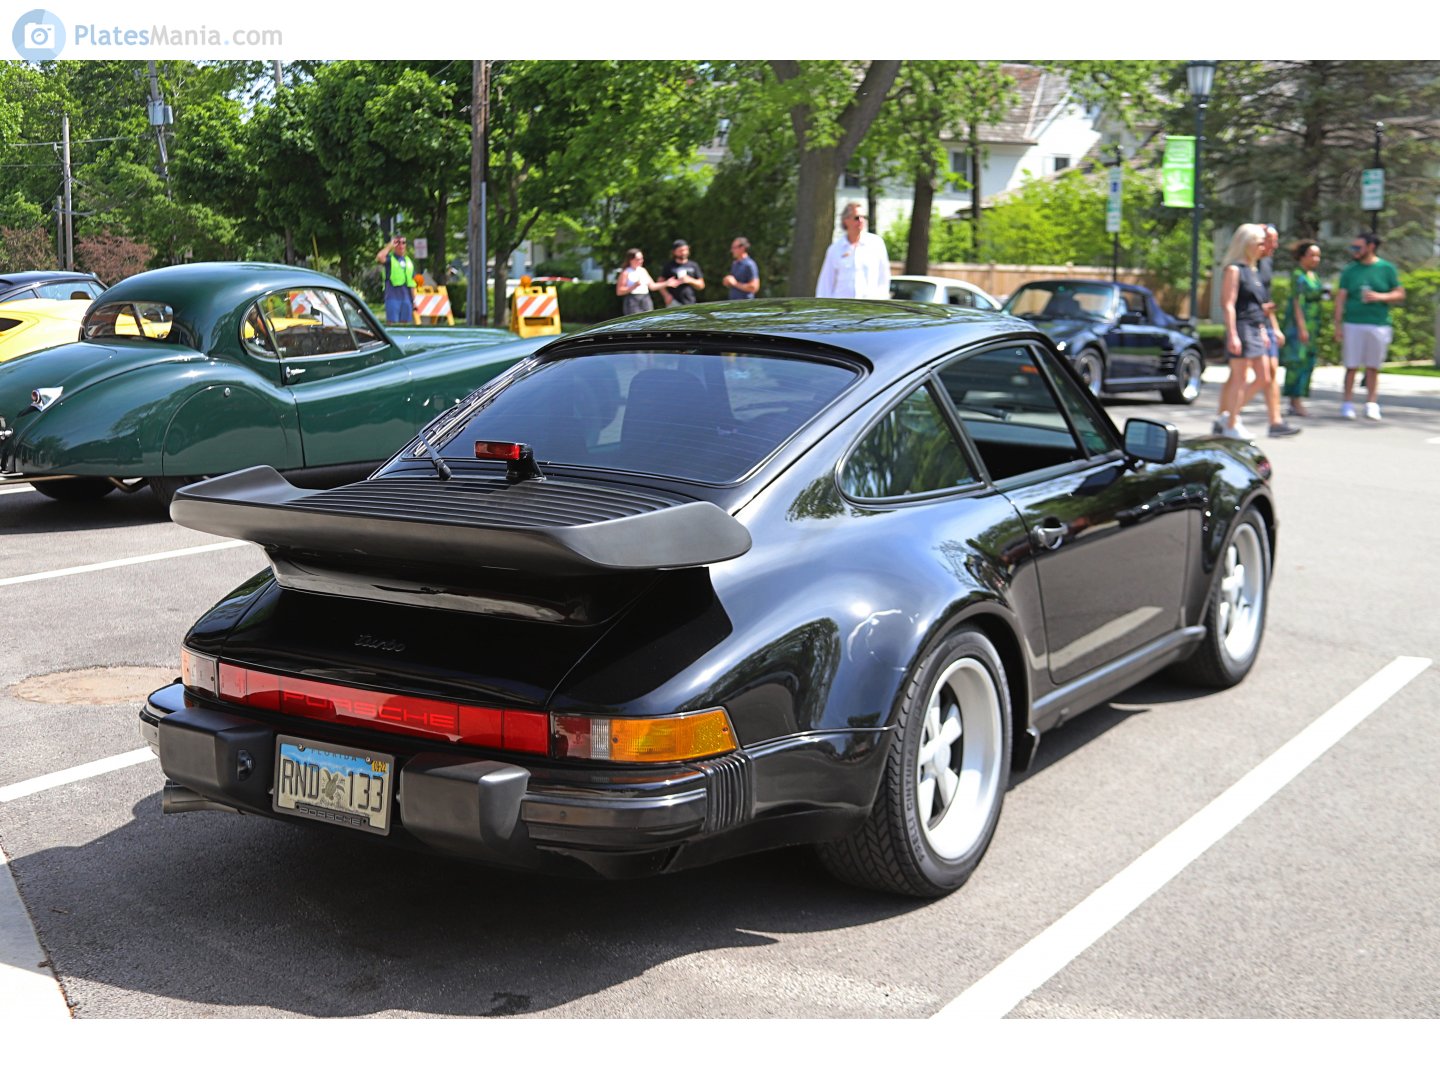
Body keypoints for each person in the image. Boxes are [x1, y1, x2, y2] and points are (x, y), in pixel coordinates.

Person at [1215, 224, 1299, 440]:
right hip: (1242, 327)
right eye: (1260, 242)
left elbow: (1258, 304)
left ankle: (1228, 416)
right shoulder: (1234, 269)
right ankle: (1231, 423)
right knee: (1240, 377)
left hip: (1256, 327)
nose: (1264, 247)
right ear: (1247, 243)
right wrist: (1232, 334)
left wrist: (1264, 328)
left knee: (1264, 376)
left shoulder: (1254, 270)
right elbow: (1228, 304)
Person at [1334, 231, 1404, 421]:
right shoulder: (1350, 270)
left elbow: (1399, 293)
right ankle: (1347, 403)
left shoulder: (1386, 268)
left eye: (1358, 247)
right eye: (1353, 247)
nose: (1354, 251)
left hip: (1378, 323)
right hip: (1353, 323)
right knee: (1351, 365)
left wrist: (1380, 297)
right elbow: (1340, 298)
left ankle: (1371, 404)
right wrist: (1337, 325)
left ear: (1371, 247)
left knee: (1373, 366)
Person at [1280, 240, 1324, 416]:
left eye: (1318, 255)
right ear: (1302, 256)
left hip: (1313, 324)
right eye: (1312, 255)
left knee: (1308, 362)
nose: (1316, 259)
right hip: (1299, 325)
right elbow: (1297, 302)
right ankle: (1294, 400)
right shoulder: (1298, 275)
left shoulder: (1314, 275)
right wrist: (1302, 327)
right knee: (1296, 361)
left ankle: (1299, 397)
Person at [815, 201, 891, 299]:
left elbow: (884, 278)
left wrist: (881, 302)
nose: (861, 220)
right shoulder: (835, 249)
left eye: (863, 217)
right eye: (856, 217)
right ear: (845, 220)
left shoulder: (876, 244)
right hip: (842, 309)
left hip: (869, 308)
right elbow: (825, 284)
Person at [375, 235, 417, 325]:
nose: (401, 245)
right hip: (392, 297)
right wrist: (390, 245)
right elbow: (380, 257)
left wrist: (414, 301)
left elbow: (412, 283)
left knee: (404, 326)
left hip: (406, 299)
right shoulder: (390, 259)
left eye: (403, 242)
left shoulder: (409, 261)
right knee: (392, 324)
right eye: (398, 243)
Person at [658, 239, 705, 306]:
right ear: (674, 252)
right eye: (680, 250)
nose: (684, 252)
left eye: (685, 250)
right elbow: (660, 282)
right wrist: (666, 295)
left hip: (690, 302)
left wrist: (690, 280)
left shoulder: (693, 265)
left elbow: (701, 285)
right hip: (673, 303)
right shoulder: (669, 266)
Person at [616, 248, 660, 315]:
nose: (641, 261)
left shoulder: (643, 270)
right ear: (631, 260)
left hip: (645, 299)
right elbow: (619, 291)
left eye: (642, 258)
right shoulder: (626, 272)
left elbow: (652, 286)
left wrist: (667, 283)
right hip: (633, 301)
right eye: (638, 259)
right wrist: (634, 286)